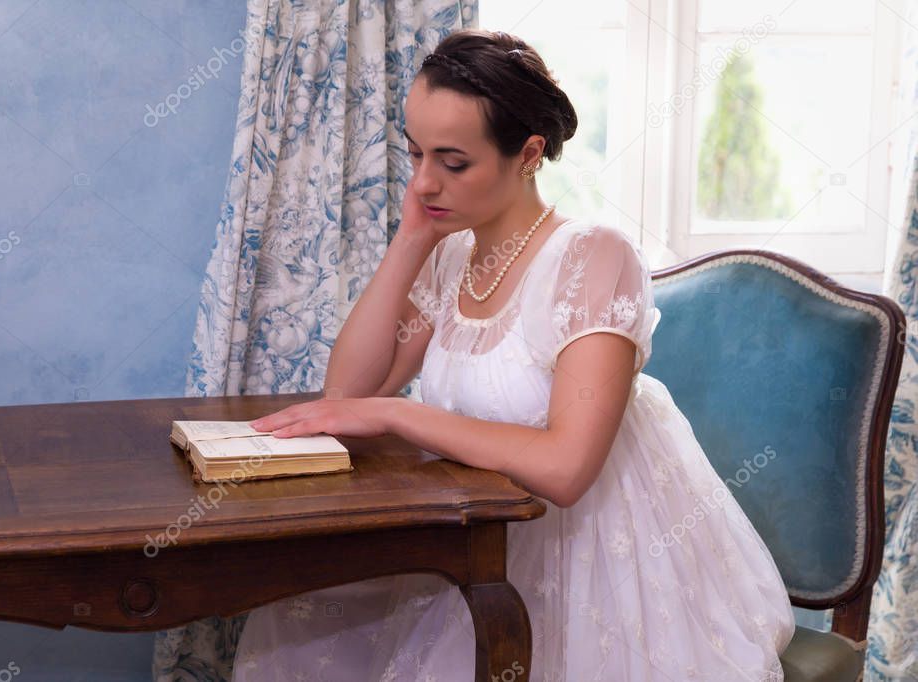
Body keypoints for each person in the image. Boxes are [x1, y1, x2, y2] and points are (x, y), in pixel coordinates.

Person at [231, 28, 795, 681]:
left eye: (452, 161)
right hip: (471, 532)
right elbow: (349, 393)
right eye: (415, 155)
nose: (423, 182)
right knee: (294, 619)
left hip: (586, 558)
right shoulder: (449, 257)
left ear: (527, 155)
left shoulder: (592, 256)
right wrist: (411, 240)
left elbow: (564, 470)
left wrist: (402, 418)